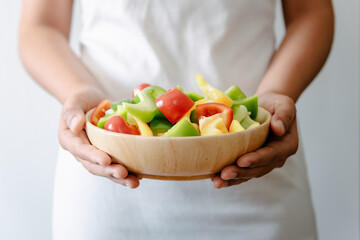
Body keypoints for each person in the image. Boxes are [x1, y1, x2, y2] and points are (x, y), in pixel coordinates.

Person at [18, 0, 334, 239]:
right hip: (106, 188)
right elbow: (41, 24)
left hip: (259, 171)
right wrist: (78, 91)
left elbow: (311, 12)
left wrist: (277, 93)